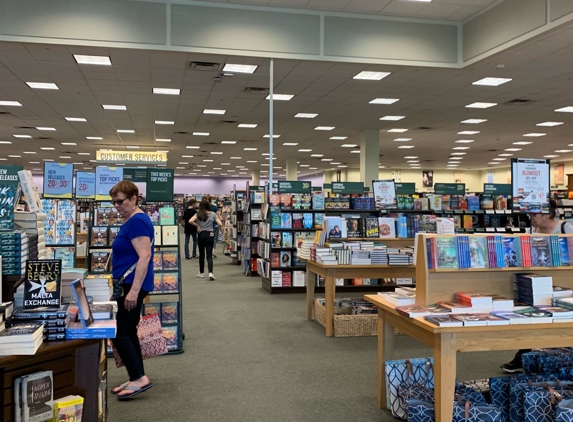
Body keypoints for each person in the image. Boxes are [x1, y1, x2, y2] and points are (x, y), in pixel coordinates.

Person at [500, 199, 573, 373]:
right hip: (539, 283)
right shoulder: (533, 231)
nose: (531, 218)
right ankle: (523, 357)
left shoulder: (566, 229)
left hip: (565, 283)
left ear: (548, 213)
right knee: (533, 318)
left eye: (535, 214)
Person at [109, 181, 154, 400]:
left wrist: (134, 291)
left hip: (131, 284)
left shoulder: (137, 222)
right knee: (128, 330)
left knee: (119, 332)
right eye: (114, 202)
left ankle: (138, 378)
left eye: (120, 201)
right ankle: (137, 375)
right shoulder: (132, 220)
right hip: (127, 283)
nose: (116, 206)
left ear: (134, 198)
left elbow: (144, 256)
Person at [189, 199, 223, 280]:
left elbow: (190, 221)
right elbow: (220, 224)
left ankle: (201, 273)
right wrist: (214, 228)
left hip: (201, 234)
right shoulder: (213, 214)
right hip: (210, 234)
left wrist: (197, 225)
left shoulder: (198, 214)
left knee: (201, 254)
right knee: (209, 255)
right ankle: (210, 273)